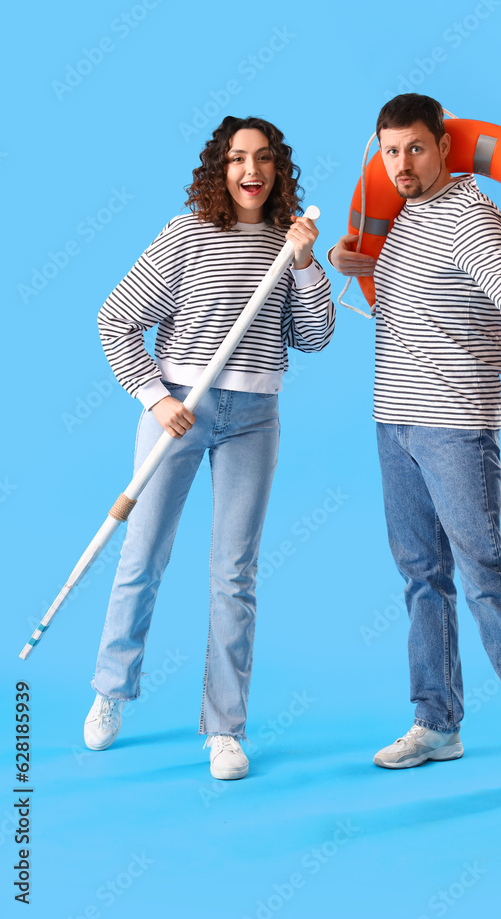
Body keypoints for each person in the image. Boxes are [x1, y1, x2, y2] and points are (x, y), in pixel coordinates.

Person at [329, 93, 501, 799]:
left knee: (484, 574)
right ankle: (435, 722)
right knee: (419, 575)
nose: (401, 163)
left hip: (453, 424)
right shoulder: (403, 220)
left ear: (442, 148)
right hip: (392, 421)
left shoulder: (470, 216)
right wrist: (351, 263)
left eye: (414, 148)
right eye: (390, 150)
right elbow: (405, 298)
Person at [84, 115, 335, 779]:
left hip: (255, 415)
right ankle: (111, 691)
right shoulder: (188, 234)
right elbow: (116, 318)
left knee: (234, 574)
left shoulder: (289, 244)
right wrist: (154, 397)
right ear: (218, 170)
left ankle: (224, 728)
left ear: (279, 169)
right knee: (142, 555)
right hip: (178, 410)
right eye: (236, 159)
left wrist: (307, 267)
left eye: (262, 159)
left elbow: (313, 338)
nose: (250, 170)